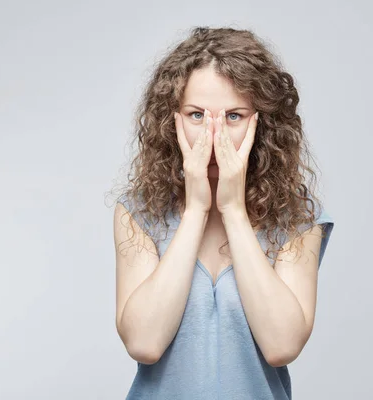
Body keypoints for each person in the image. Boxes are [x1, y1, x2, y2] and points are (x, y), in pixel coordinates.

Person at [113, 26, 335, 400]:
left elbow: (281, 345)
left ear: (262, 122)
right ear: (173, 119)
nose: (212, 137)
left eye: (233, 116)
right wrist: (197, 209)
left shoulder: (297, 221)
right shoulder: (137, 213)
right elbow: (143, 343)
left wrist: (232, 209)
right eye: (197, 114)